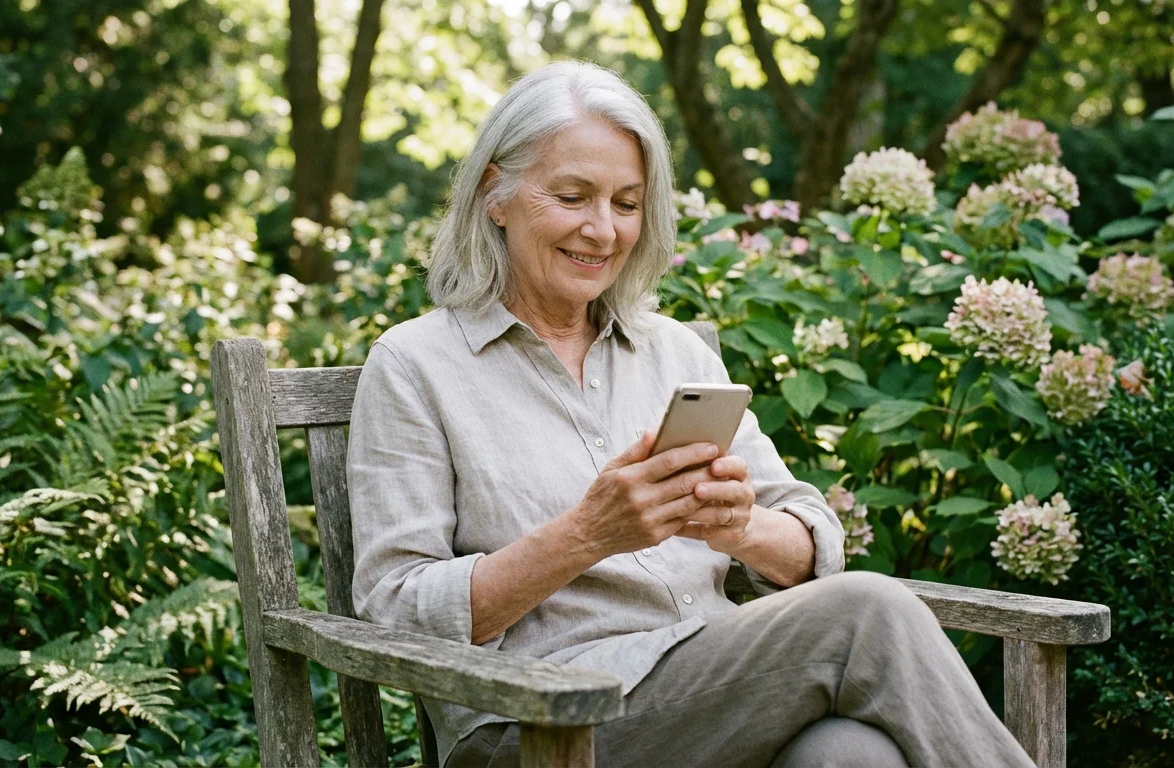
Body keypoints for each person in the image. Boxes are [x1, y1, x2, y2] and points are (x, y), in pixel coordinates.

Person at [346, 60, 1036, 768]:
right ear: (497, 191)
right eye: (573, 195)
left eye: (626, 202)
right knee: (869, 611)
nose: (602, 230)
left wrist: (742, 527)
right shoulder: (416, 365)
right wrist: (586, 535)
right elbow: (397, 607)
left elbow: (810, 541)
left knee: (849, 755)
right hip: (542, 721)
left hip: (708, 695)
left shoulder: (671, 351)